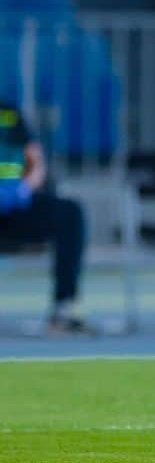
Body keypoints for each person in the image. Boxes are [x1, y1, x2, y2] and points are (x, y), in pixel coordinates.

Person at [0, 100, 89, 334]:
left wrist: (25, 188)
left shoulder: (7, 112)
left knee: (69, 213)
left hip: (12, 205)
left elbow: (34, 160)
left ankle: (64, 308)